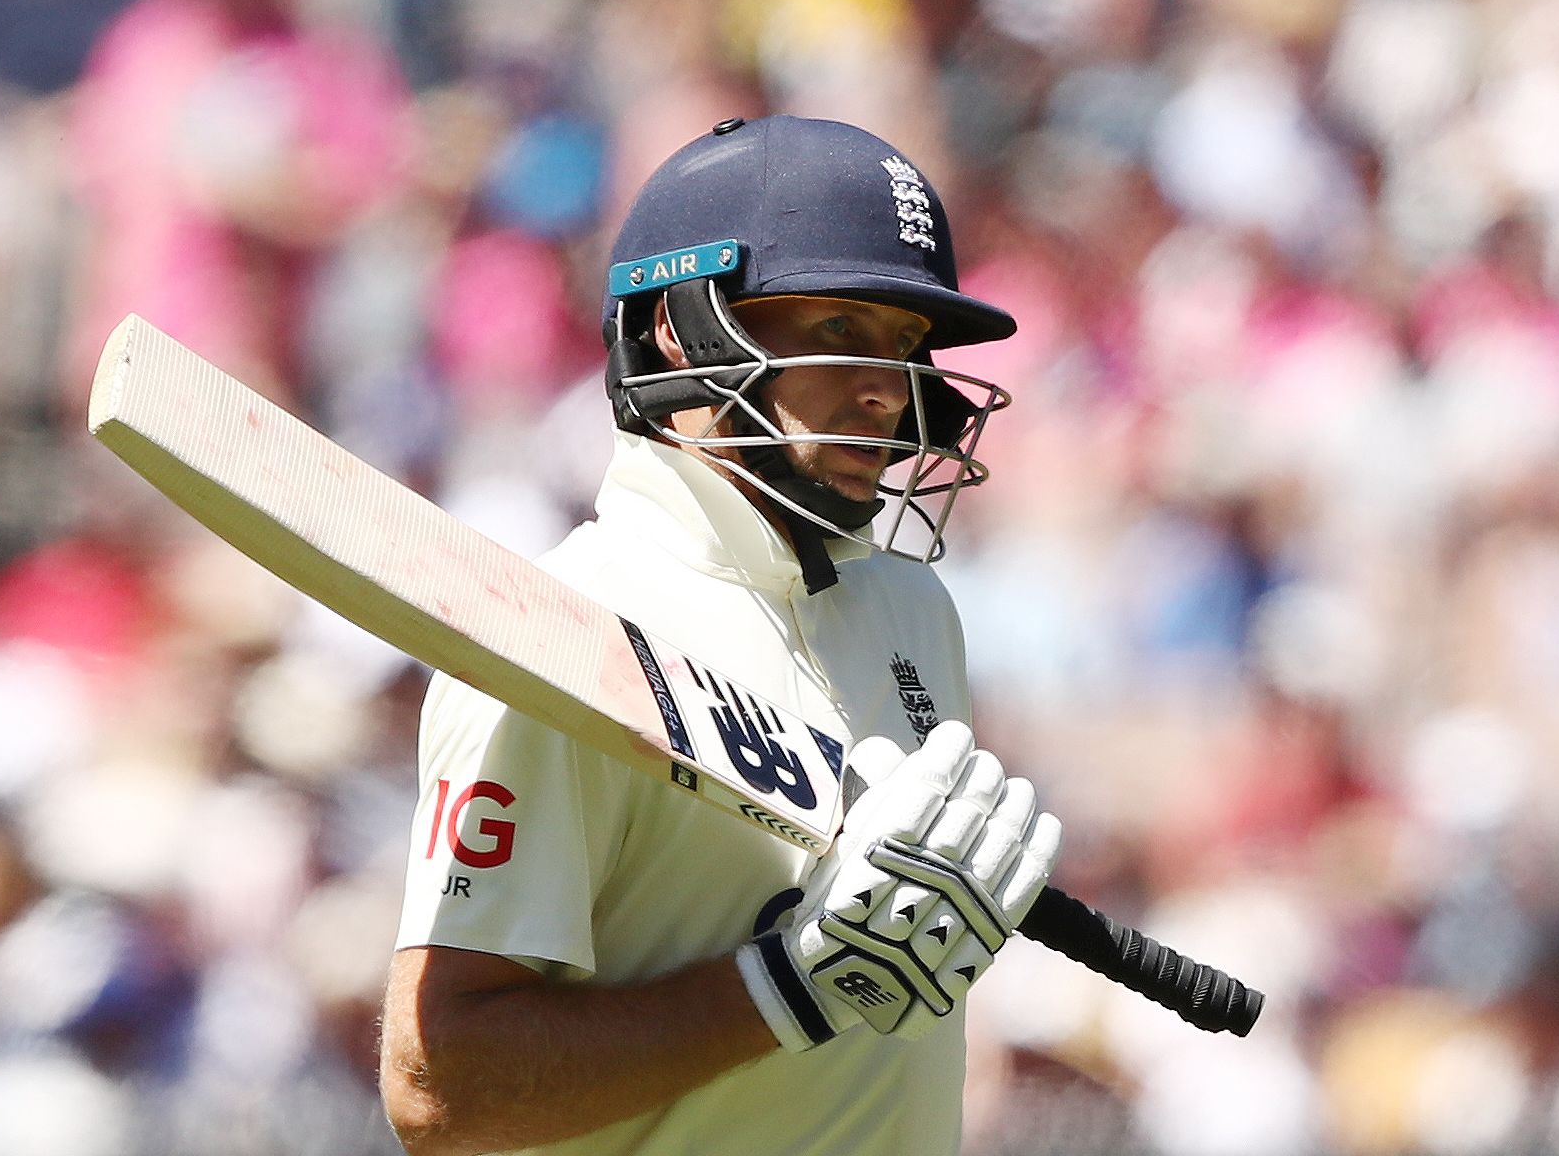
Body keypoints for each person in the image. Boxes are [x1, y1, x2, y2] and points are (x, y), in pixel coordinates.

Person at [377, 115, 1063, 1156]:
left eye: (903, 346)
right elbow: (439, 1091)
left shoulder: (910, 613)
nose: (887, 390)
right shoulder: (562, 631)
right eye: (839, 329)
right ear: (682, 326)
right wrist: (791, 986)